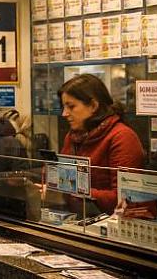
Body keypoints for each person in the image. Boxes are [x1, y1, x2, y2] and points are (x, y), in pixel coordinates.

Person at [58, 74, 144, 214]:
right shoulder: (73, 136)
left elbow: (124, 197)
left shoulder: (121, 137)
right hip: (76, 219)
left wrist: (78, 192)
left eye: (71, 107)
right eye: (63, 107)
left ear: (93, 106)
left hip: (110, 224)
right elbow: (63, 177)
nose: (64, 113)